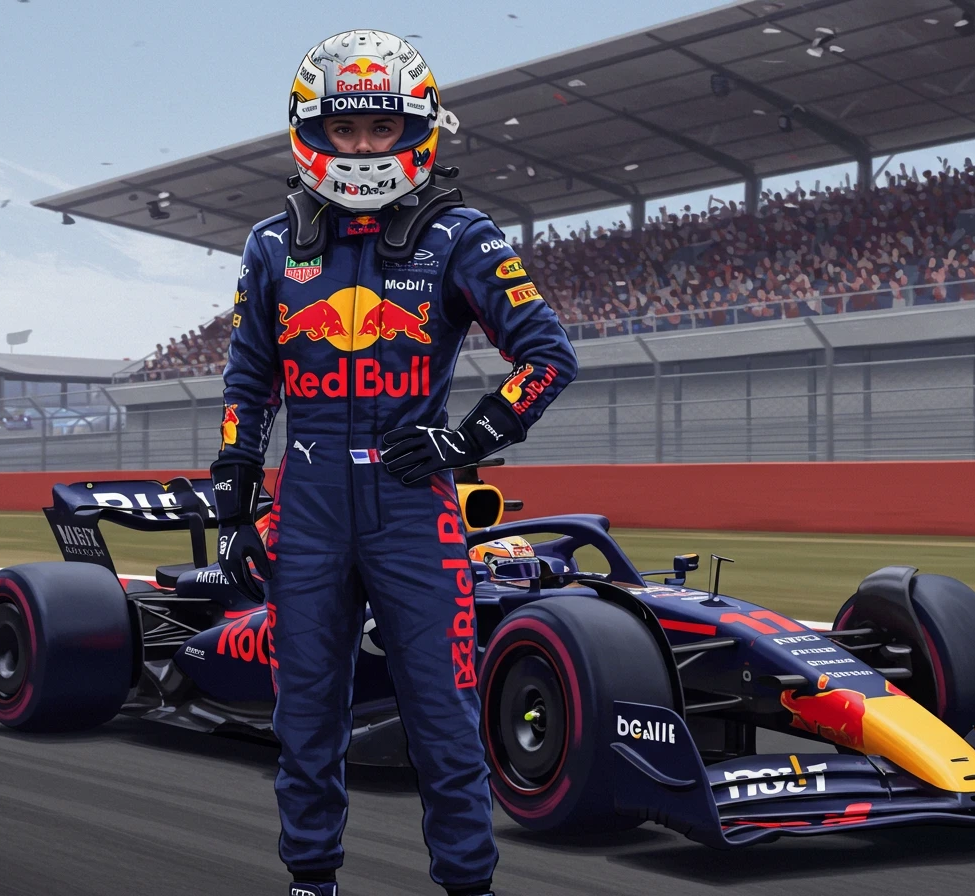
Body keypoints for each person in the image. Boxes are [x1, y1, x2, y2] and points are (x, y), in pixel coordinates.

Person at [208, 29, 578, 896]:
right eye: (347, 130)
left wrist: (468, 440)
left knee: (445, 719)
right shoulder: (271, 244)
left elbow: (548, 356)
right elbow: (248, 377)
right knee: (305, 717)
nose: (366, 148)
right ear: (314, 131)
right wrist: (231, 490)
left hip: (415, 505)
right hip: (307, 509)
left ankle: (467, 884)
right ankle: (310, 881)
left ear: (418, 129)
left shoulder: (462, 234)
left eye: (383, 129)